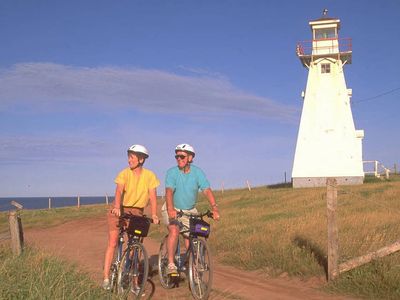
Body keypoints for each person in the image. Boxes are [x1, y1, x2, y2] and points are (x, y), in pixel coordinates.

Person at [102, 144, 160, 290]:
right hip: (120, 209)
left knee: (135, 247)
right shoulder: (124, 173)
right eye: (129, 157)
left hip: (137, 213)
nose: (129, 160)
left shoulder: (150, 176)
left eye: (132, 157)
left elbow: (153, 197)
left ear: (141, 159)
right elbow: (118, 191)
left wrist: (153, 214)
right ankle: (106, 278)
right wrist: (116, 207)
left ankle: (134, 281)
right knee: (113, 242)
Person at [162, 143, 220, 275]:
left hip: (189, 210)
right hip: (172, 207)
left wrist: (214, 208)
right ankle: (171, 263)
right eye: (177, 157)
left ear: (190, 158)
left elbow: (206, 190)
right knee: (175, 230)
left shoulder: (197, 172)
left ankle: (192, 266)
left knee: (192, 236)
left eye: (182, 156)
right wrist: (171, 209)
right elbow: (169, 191)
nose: (179, 159)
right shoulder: (172, 172)